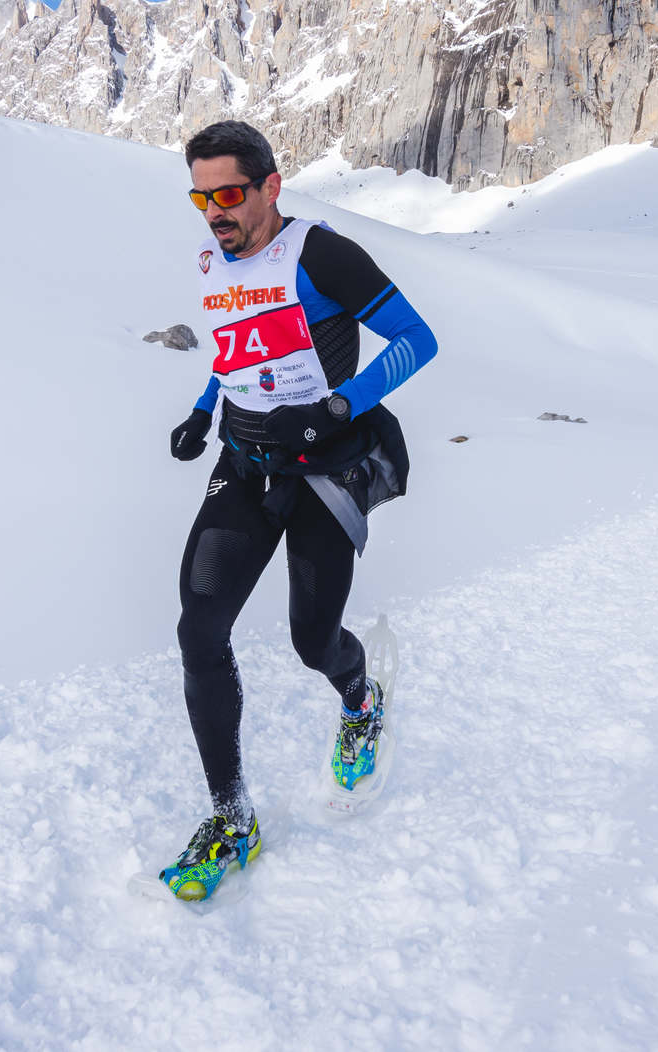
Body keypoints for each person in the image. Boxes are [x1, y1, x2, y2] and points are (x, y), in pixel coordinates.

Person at [155, 120, 438, 901]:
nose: (214, 210)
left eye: (230, 194)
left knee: (313, 642)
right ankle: (231, 816)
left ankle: (362, 700)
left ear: (271, 187)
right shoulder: (214, 257)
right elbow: (236, 345)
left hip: (324, 470)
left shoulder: (321, 254)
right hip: (244, 465)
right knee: (198, 629)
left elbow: (418, 339)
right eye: (200, 196)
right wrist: (205, 408)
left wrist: (335, 409)